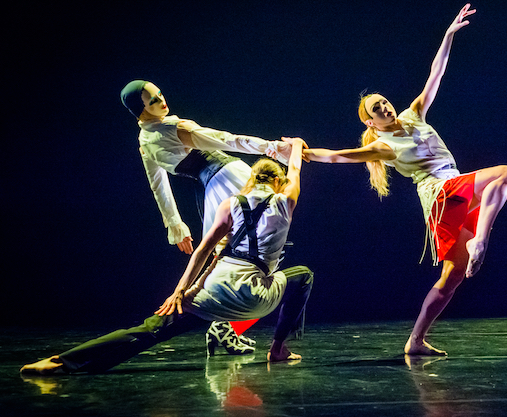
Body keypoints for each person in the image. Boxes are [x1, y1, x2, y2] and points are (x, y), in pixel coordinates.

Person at [304, 4, 507, 356]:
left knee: (452, 280)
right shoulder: (385, 146)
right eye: (377, 111)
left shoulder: (414, 113)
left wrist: (448, 35)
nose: (385, 109)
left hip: (451, 194)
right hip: (440, 195)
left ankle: (415, 341)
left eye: (384, 103)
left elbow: (436, 74)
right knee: (505, 174)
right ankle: (479, 241)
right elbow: (340, 155)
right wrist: (302, 153)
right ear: (371, 123)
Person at [20, 139, 313, 375]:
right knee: (302, 275)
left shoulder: (230, 204)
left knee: (151, 331)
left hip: (215, 290)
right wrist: (297, 145)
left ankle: (62, 362)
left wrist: (179, 292)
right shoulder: (286, 201)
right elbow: (295, 171)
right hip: (257, 295)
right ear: (277, 181)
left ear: (252, 178)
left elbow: (202, 250)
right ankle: (277, 349)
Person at [121, 80, 295, 353]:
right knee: (256, 256)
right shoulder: (171, 129)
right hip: (229, 179)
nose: (162, 101)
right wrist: (270, 147)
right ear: (140, 111)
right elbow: (224, 139)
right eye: (153, 100)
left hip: (214, 187)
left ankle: (221, 327)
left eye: (160, 94)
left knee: (232, 258)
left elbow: (159, 184)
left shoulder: (145, 139)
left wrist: (174, 223)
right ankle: (222, 326)